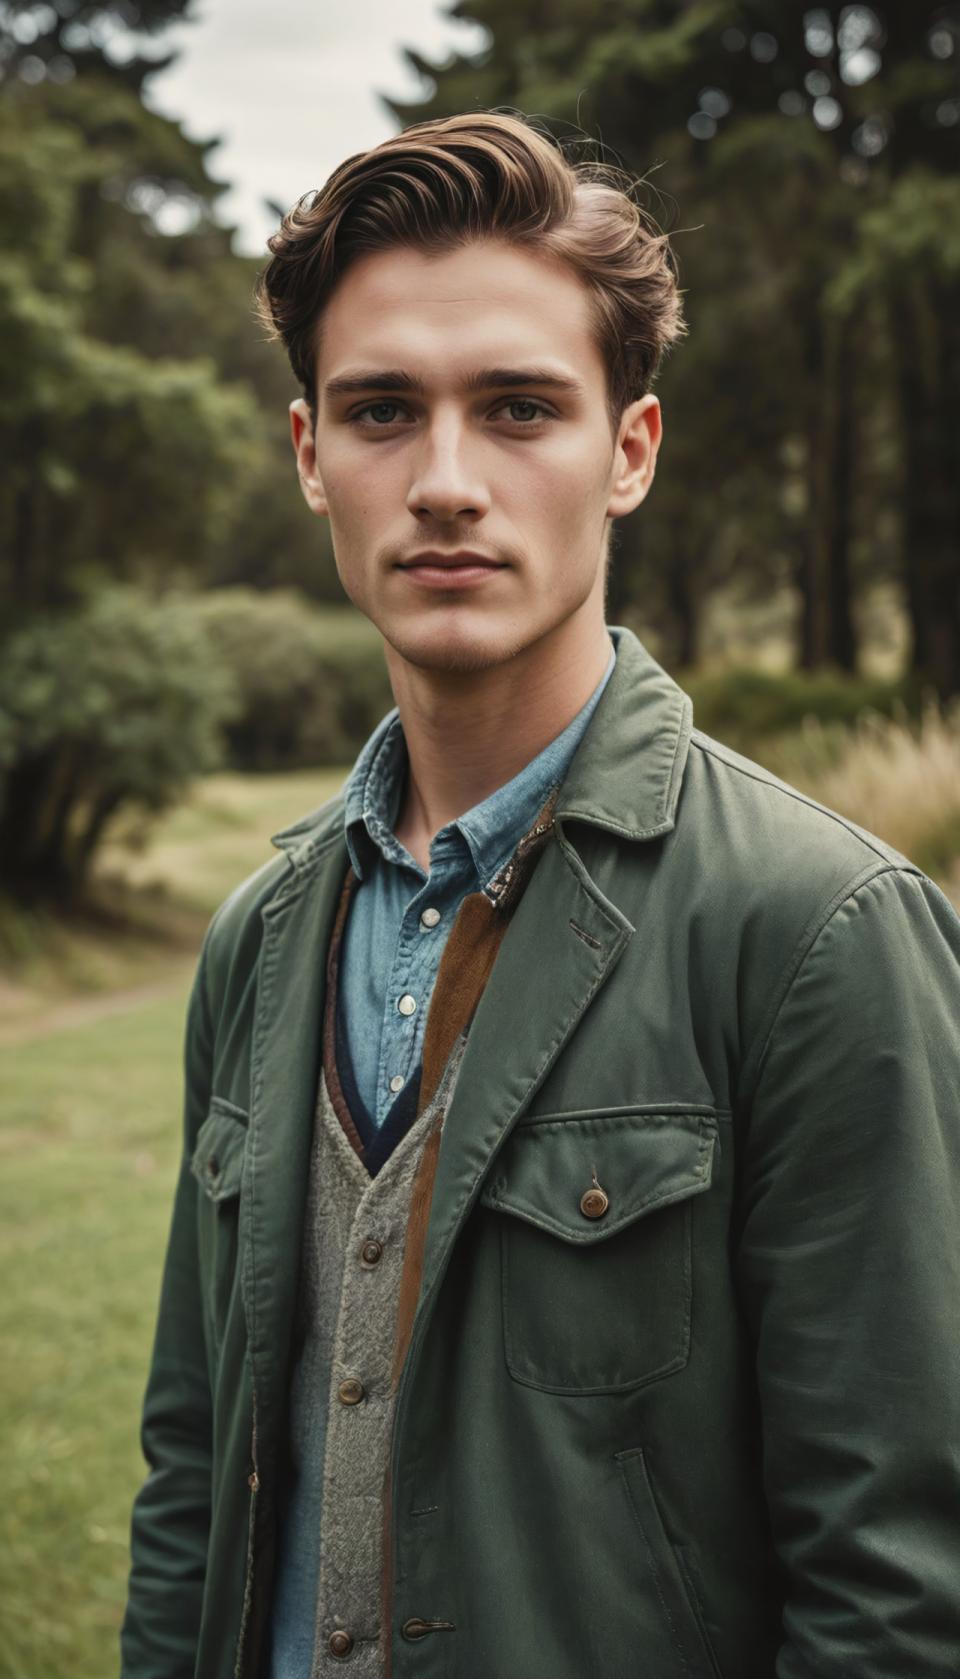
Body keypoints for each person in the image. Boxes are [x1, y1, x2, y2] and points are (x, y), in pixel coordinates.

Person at [120, 111, 960, 1679]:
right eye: (380, 411)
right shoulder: (259, 939)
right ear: (310, 458)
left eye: (518, 408)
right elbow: (194, 1480)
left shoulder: (820, 933)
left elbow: (900, 1586)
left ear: (628, 451)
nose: (445, 482)